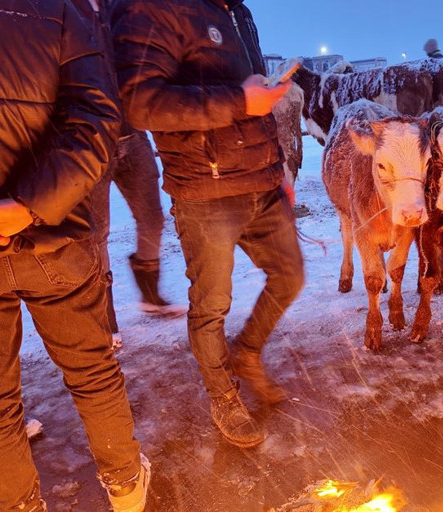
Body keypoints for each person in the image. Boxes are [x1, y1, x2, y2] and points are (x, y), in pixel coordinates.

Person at [0, 0, 150, 510]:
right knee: (92, 371)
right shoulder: (59, 9)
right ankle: (128, 488)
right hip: (54, 233)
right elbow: (93, 118)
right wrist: (28, 205)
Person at [110, 0, 305, 448]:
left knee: (290, 275)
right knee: (211, 305)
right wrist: (240, 100)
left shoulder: (238, 11)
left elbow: (253, 96)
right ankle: (223, 395)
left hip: (262, 182)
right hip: (205, 189)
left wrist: (279, 171)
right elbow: (139, 102)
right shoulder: (153, 8)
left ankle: (247, 352)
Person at [92, 124, 189, 348]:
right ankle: (104, 320)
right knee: (96, 233)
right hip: (88, 141)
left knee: (152, 219)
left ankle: (150, 296)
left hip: (133, 137)